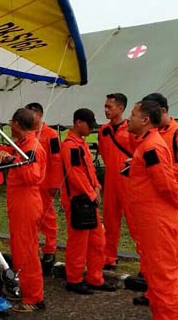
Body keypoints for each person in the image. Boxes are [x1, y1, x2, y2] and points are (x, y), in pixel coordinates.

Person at [126, 100, 178, 320]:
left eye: (133, 114)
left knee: (165, 276)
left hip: (158, 221)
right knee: (155, 275)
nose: (129, 119)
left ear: (145, 120)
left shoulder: (152, 147)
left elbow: (166, 184)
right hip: (150, 219)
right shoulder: (146, 144)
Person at [141, 92, 178, 319]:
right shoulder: (153, 134)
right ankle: (157, 295)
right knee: (157, 255)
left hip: (175, 198)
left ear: (162, 111)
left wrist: (159, 172)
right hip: (157, 200)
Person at [0, 108, 47, 312]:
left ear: (16, 124)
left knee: (26, 252)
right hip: (21, 204)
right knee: (21, 249)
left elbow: (32, 176)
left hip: (26, 204)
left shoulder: (30, 148)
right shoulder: (23, 145)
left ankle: (33, 298)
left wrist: (11, 160)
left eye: (11, 122)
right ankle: (28, 292)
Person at [60, 108, 116, 295]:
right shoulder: (70, 146)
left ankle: (95, 277)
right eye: (89, 125)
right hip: (78, 201)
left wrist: (97, 187)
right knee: (78, 243)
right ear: (78, 123)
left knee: (97, 241)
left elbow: (88, 171)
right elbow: (75, 174)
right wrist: (92, 193)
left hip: (88, 199)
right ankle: (74, 279)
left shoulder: (80, 144)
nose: (91, 129)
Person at [97, 93, 134, 270]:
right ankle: (109, 256)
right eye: (105, 106)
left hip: (129, 182)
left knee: (135, 222)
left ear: (120, 108)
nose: (106, 110)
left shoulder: (131, 129)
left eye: (109, 107)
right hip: (111, 181)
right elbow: (104, 153)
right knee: (110, 221)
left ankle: (146, 262)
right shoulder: (104, 130)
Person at [24, 102, 63, 275]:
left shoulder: (51, 135)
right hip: (31, 183)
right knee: (32, 217)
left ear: (39, 114)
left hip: (46, 182)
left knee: (48, 216)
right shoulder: (27, 134)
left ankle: (49, 249)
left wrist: (55, 183)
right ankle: (33, 249)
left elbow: (56, 159)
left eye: (32, 115)